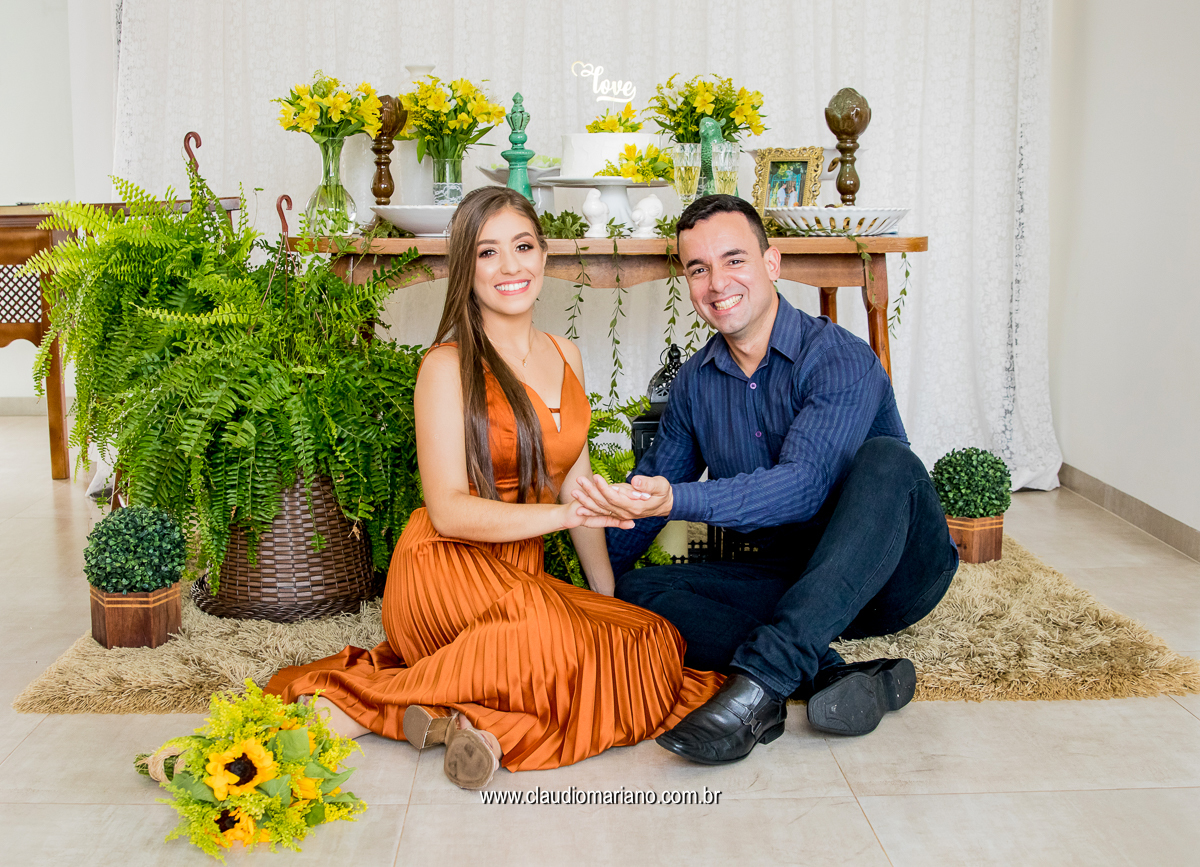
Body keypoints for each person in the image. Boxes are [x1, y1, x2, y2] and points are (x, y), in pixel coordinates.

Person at [267, 187, 722, 789]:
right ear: (466, 267)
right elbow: (449, 511)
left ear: (544, 255)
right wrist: (565, 517)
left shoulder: (566, 354)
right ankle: (358, 707)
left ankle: (455, 721)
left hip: (518, 576)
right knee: (550, 639)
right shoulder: (444, 367)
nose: (511, 266)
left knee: (649, 638)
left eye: (523, 246)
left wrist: (606, 597)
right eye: (488, 252)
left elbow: (577, 483)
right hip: (443, 568)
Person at [572, 195, 959, 765]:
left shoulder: (838, 357)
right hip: (791, 577)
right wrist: (577, 590)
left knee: (888, 460)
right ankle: (830, 672)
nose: (716, 283)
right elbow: (647, 498)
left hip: (888, 579)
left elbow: (802, 487)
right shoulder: (695, 383)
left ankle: (760, 687)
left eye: (734, 260)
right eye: (698, 269)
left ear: (771, 263)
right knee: (637, 594)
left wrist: (677, 499)